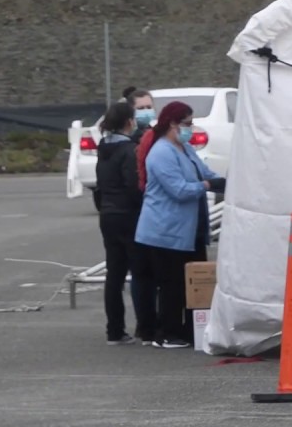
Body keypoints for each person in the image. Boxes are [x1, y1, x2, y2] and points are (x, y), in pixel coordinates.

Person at [134, 101, 225, 348]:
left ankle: (187, 330)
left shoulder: (184, 148)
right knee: (171, 284)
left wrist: (223, 181)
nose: (190, 128)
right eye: (186, 123)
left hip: (189, 230)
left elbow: (204, 172)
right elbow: (178, 190)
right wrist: (206, 186)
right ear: (173, 124)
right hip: (164, 231)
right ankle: (167, 332)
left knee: (190, 283)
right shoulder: (161, 152)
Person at [94, 101, 151, 345]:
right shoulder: (129, 150)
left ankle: (114, 330)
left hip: (108, 214)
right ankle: (146, 327)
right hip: (128, 215)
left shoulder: (103, 146)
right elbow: (133, 186)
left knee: (114, 274)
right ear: (129, 121)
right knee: (141, 272)